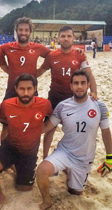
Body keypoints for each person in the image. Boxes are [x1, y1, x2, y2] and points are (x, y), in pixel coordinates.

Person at [36, 70, 112, 210]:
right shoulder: (62, 106)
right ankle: (47, 201)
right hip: (65, 151)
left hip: (84, 158)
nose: (79, 86)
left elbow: (106, 132)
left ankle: (69, 170)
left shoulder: (99, 106)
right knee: (41, 170)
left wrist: (109, 158)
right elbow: (47, 127)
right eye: (76, 83)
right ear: (71, 86)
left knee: (75, 192)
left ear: (88, 85)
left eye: (83, 83)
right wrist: (24, 124)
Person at [0, 73, 52, 210]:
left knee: (24, 188)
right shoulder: (7, 105)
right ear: (15, 88)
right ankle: (1, 196)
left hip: (29, 152)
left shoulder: (45, 104)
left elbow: (53, 120)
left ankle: (15, 167)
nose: (25, 93)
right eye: (22, 89)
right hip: (10, 147)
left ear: (35, 89)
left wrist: (41, 131)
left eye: (29, 89)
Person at [36, 25, 97, 159]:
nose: (66, 39)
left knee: (73, 131)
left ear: (73, 38)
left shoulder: (79, 56)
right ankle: (46, 157)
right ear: (58, 38)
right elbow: (40, 71)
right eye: (63, 36)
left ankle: (71, 158)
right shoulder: (52, 56)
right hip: (55, 98)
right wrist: (24, 78)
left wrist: (94, 92)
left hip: (74, 99)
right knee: (50, 129)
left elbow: (89, 75)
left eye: (69, 36)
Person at [0, 17, 50, 140]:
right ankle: (3, 152)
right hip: (12, 90)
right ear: (16, 31)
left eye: (26, 30)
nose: (23, 32)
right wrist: (10, 71)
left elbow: (52, 56)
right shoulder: (6, 47)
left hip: (31, 91)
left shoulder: (37, 48)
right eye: (20, 30)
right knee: (6, 126)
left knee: (31, 123)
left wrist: (40, 71)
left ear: (30, 32)